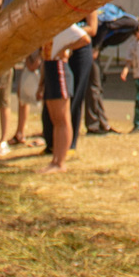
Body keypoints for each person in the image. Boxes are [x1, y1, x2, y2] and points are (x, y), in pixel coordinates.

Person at [40, 12, 93, 171]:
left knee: (62, 118)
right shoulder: (48, 25)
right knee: (55, 118)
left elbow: (85, 38)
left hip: (59, 68)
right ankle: (55, 159)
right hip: (49, 67)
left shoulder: (64, 24)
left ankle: (60, 162)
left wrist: (65, 48)